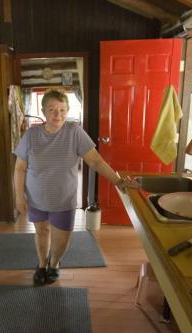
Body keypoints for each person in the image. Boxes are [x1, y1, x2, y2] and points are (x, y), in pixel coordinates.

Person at [13, 89, 137, 286]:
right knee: (41, 232)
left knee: (62, 239)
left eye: (62, 110)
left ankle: (54, 264)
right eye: (52, 110)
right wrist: (19, 197)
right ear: (44, 111)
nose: (57, 115)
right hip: (36, 197)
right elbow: (20, 168)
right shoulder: (31, 135)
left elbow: (95, 161)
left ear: (68, 110)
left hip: (64, 199)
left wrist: (117, 181)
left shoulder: (74, 132)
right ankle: (42, 264)